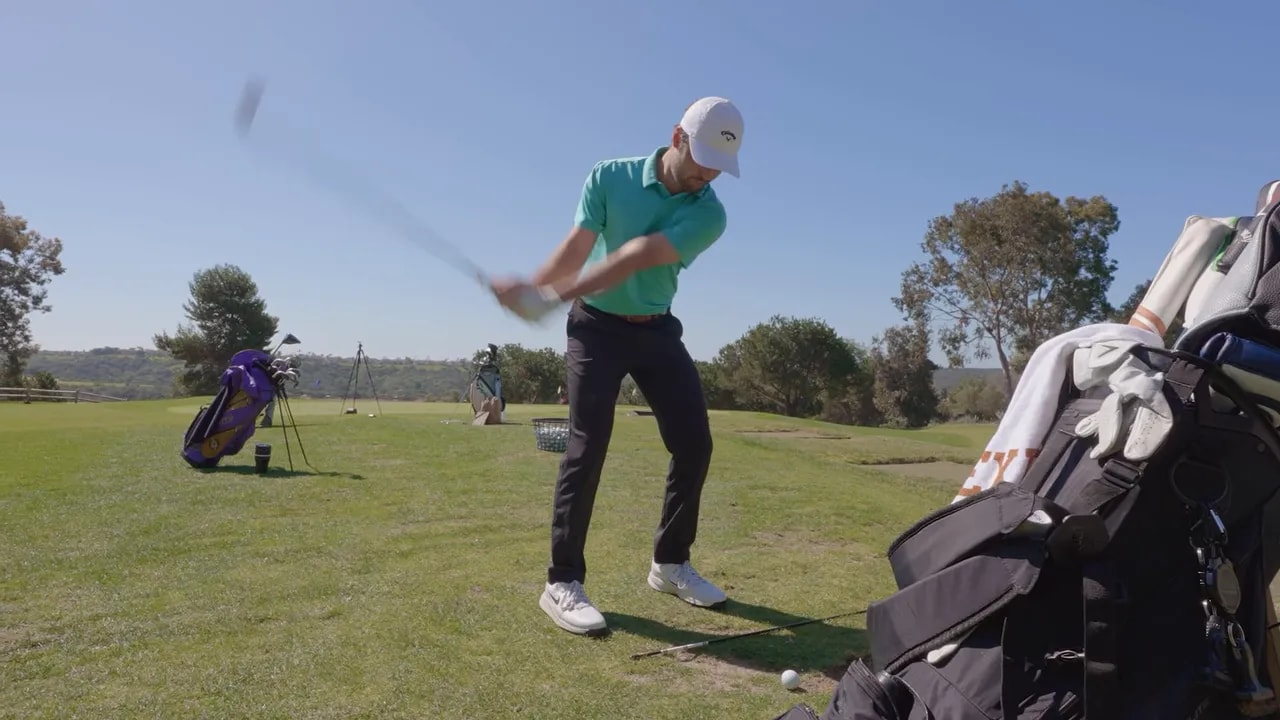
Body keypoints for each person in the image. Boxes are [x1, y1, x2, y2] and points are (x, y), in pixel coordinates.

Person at [491, 96, 744, 637]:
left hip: (655, 327)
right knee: (585, 445)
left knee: (694, 442)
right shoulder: (611, 176)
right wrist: (536, 288)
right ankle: (561, 581)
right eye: (701, 159)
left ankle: (670, 564)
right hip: (596, 329)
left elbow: (633, 257)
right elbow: (578, 247)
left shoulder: (709, 213)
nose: (706, 175)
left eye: (717, 168)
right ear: (678, 136)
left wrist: (548, 297)